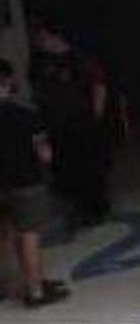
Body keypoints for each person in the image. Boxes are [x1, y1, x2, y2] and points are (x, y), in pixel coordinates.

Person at [28, 17, 113, 228]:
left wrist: (96, 115)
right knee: (66, 168)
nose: (39, 41)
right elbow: (37, 89)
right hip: (56, 124)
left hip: (81, 120)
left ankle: (96, 207)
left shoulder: (79, 58)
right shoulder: (39, 62)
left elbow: (98, 85)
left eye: (42, 37)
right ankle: (77, 207)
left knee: (89, 166)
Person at [0, 60, 69, 308]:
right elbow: (44, 154)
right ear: (8, 81)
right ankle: (36, 290)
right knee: (29, 234)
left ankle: (13, 286)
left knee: (6, 235)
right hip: (26, 182)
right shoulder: (26, 114)